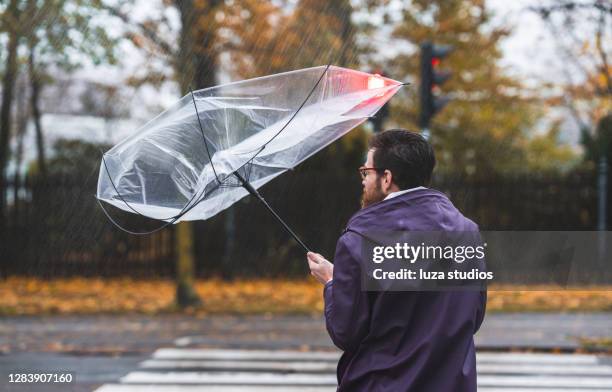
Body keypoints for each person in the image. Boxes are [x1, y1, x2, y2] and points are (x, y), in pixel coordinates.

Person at [307, 129, 487, 391]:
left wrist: (334, 283)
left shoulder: (361, 239)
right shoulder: (467, 232)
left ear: (387, 178)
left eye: (366, 172)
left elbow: (346, 331)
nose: (363, 181)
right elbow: (474, 316)